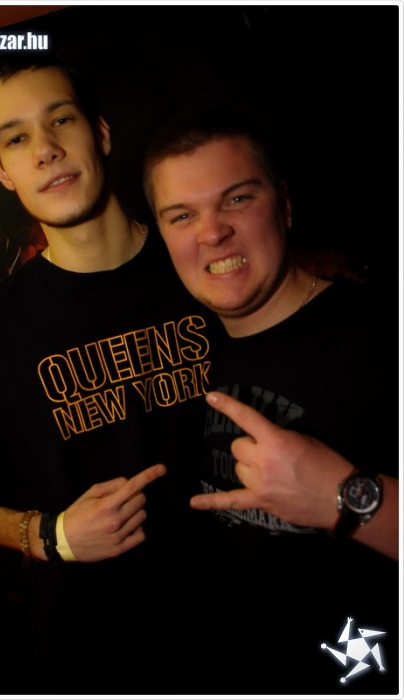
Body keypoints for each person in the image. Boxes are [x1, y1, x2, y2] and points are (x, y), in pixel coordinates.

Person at [0, 52, 218, 695]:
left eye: (60, 120)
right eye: (16, 138)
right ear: (3, 172)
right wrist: (51, 536)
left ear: (100, 132)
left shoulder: (206, 269)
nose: (45, 149)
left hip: (254, 630)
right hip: (97, 656)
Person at [143, 109, 399, 694]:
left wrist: (344, 497)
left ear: (283, 204)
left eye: (236, 199)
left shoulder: (382, 336)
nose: (212, 233)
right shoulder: (187, 354)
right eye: (182, 215)